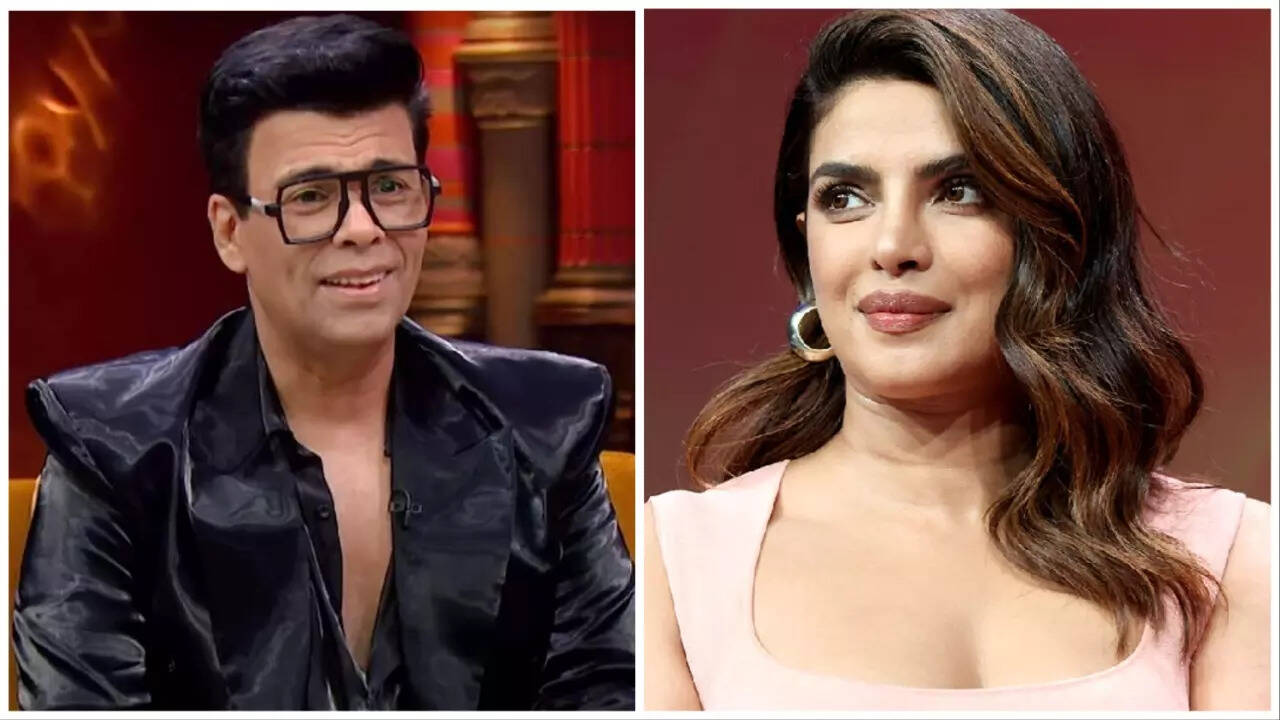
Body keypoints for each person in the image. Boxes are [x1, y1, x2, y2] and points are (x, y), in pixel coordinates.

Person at [645, 9, 1268, 711]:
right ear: (806, 242)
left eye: (959, 191)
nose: (892, 246)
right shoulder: (682, 564)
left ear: (1058, 233)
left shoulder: (1227, 560)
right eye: (845, 198)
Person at [14, 14, 634, 711]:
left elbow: (607, 689)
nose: (363, 229)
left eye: (390, 187)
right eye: (310, 197)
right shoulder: (113, 449)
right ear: (229, 231)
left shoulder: (546, 426)